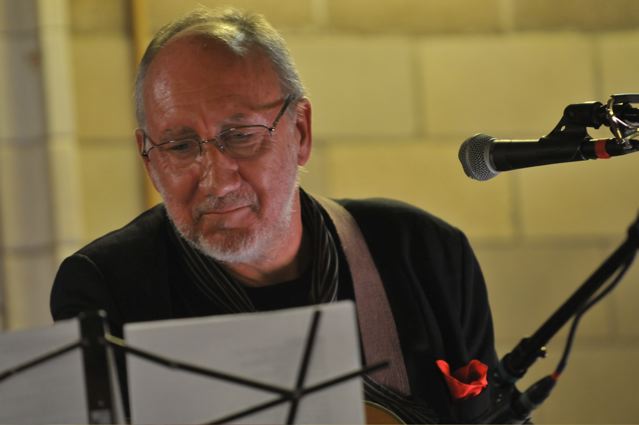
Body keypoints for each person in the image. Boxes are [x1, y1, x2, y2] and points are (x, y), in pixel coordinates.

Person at [50, 7, 498, 423]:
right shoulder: (105, 287)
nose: (216, 180)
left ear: (300, 131)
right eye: (180, 146)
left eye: (240, 135)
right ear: (149, 159)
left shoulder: (423, 253)